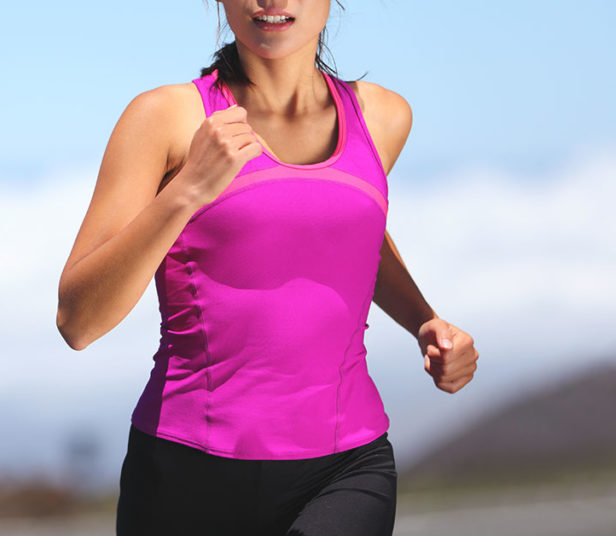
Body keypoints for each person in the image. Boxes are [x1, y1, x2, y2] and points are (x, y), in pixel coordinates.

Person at [56, 1, 480, 534]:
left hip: (347, 465)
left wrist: (425, 321)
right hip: (185, 474)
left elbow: (342, 234)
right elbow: (78, 322)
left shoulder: (384, 117)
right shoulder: (165, 117)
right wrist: (186, 192)